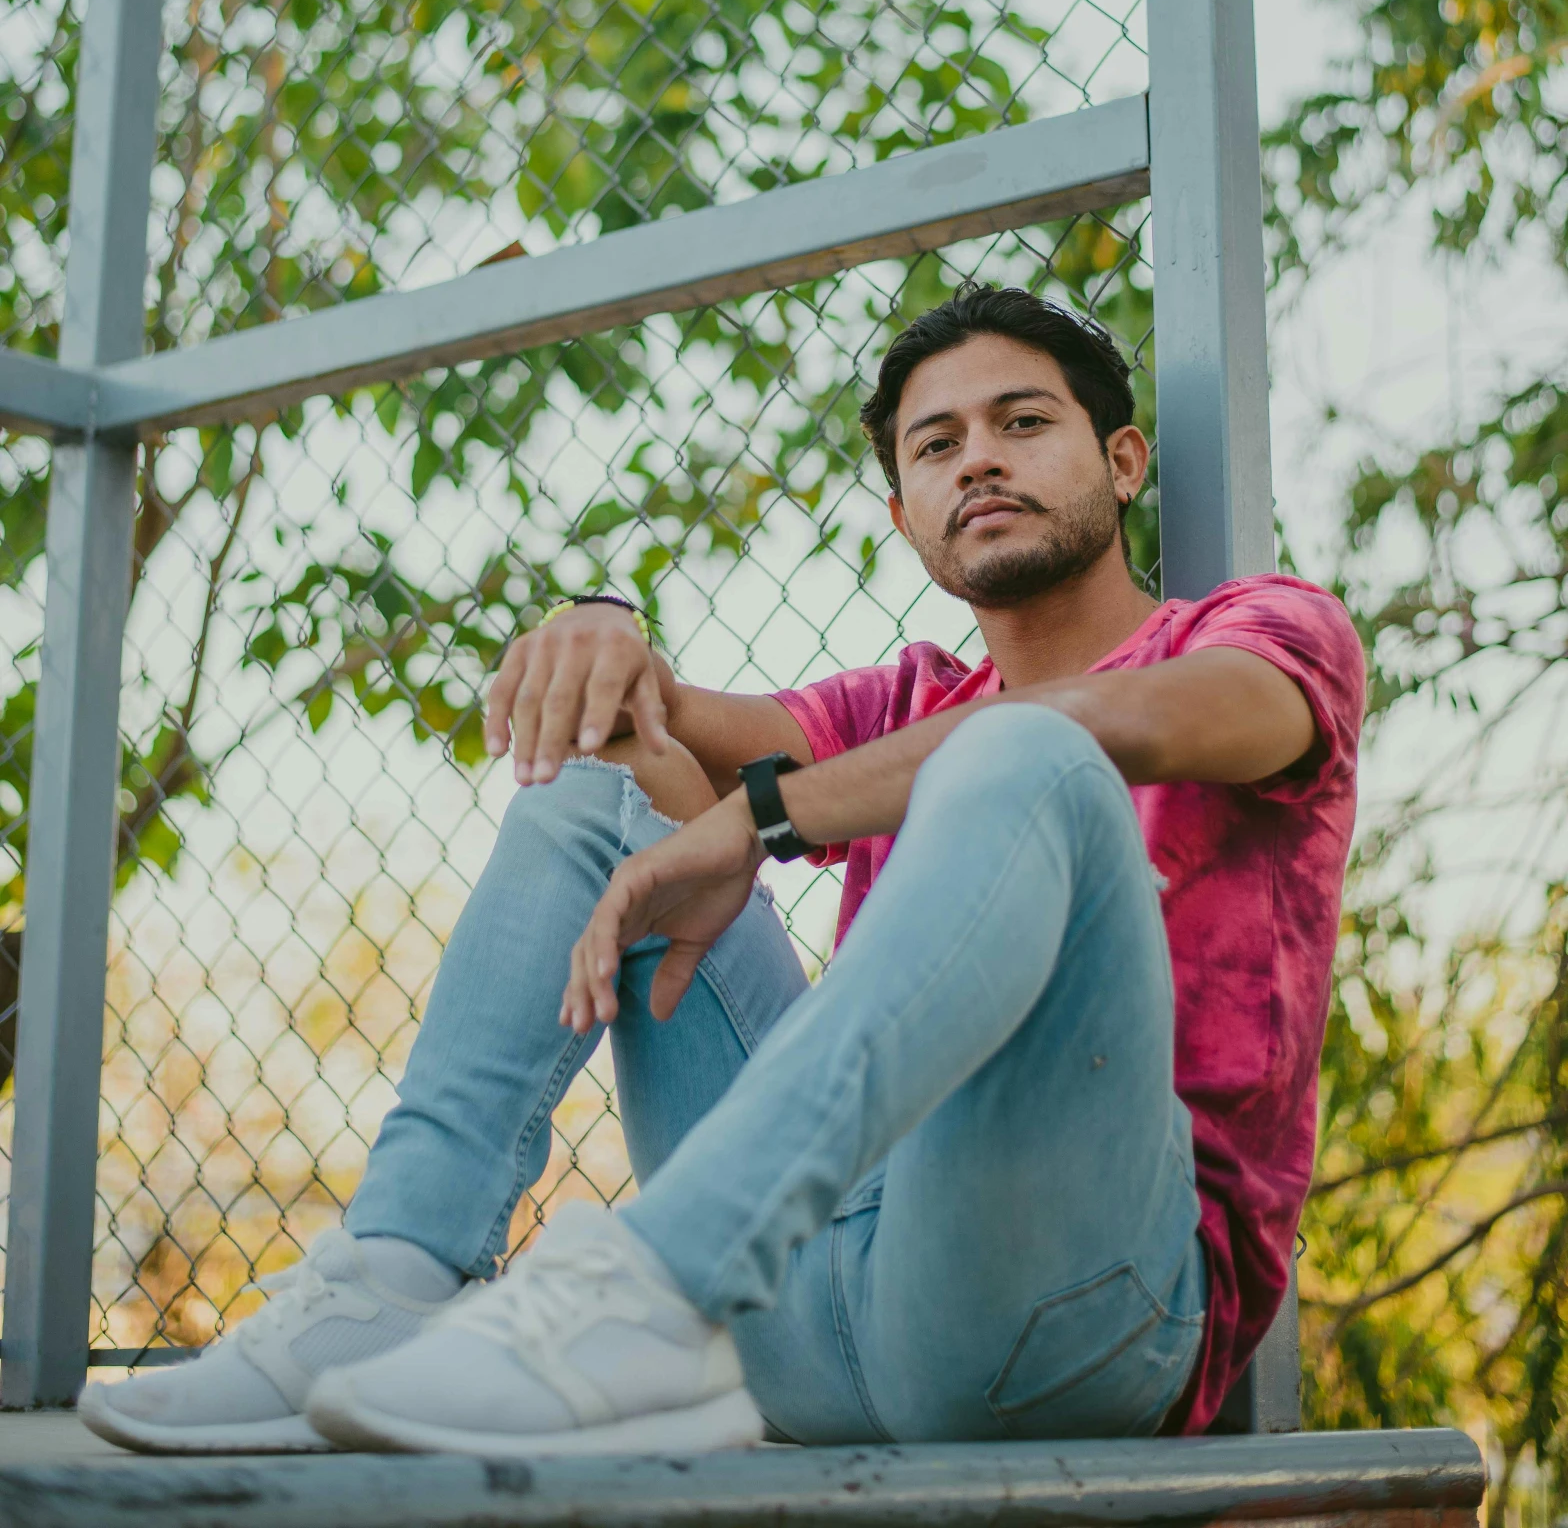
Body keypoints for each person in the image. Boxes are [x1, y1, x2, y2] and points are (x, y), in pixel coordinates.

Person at [81, 285, 1363, 1462]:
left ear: (1120, 460)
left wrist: (762, 819)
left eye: (1021, 422)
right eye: (934, 446)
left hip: (1066, 1316)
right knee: (599, 793)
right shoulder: (906, 697)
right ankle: (388, 1281)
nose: (976, 455)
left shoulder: (1263, 632)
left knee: (1032, 762)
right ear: (904, 513)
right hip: (804, 1317)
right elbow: (662, 720)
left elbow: (1113, 723)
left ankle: (651, 1286)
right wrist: (605, 625)